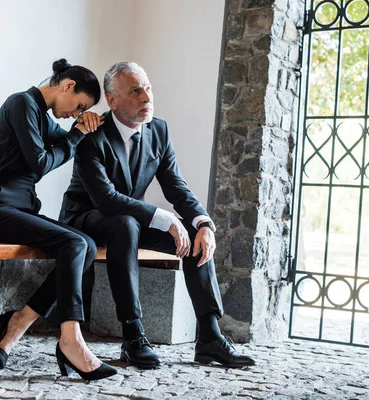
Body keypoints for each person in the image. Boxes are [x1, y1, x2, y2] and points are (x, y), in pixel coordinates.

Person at [59, 62, 255, 369]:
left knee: (193, 237)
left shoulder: (159, 130)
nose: (146, 97)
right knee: (124, 224)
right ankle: (133, 336)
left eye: (147, 88)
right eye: (135, 91)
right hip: (86, 218)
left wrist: (202, 222)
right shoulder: (91, 133)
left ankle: (210, 338)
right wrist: (164, 218)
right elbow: (106, 200)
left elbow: (175, 185)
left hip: (131, 221)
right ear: (113, 101)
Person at [0, 59, 116, 381]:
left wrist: (88, 124)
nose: (75, 113)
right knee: (76, 242)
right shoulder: (22, 103)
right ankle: (71, 338)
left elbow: (66, 139)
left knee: (86, 246)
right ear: (67, 85)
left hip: (17, 209)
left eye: (82, 110)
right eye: (79, 105)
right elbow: (39, 164)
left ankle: (19, 320)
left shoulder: (38, 114)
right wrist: (75, 134)